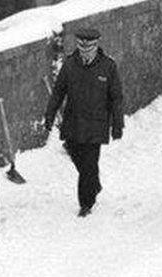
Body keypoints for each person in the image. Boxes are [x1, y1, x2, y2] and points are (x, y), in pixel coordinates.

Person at [44, 27, 124, 217]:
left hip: (96, 123)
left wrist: (118, 124)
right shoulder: (70, 65)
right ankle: (94, 184)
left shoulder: (108, 66)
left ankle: (86, 203)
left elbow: (116, 98)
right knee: (75, 153)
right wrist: (49, 115)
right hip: (74, 121)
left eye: (89, 46)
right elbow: (58, 92)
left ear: (96, 45)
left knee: (89, 163)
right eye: (82, 46)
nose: (85, 50)